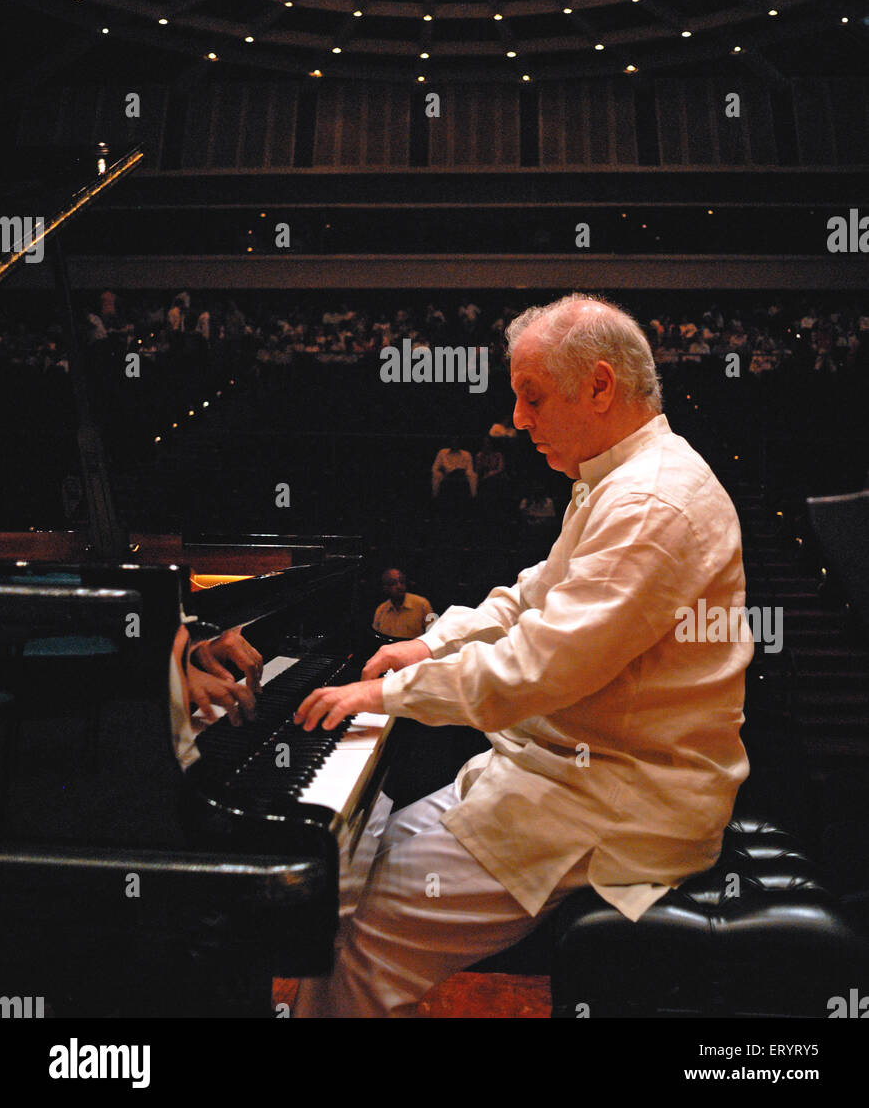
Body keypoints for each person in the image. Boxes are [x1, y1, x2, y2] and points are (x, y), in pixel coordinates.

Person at [292, 293, 753, 1018]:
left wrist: (384, 695)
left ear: (600, 386)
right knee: (347, 880)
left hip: (620, 803)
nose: (516, 420)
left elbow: (536, 666)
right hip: (562, 775)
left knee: (359, 935)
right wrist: (425, 643)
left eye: (532, 397)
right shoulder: (617, 480)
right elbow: (530, 596)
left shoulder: (651, 503)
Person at [372, 569, 434, 641]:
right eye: (393, 583)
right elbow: (376, 640)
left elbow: (434, 635)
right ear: (385, 588)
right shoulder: (380, 610)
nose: (399, 586)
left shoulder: (422, 604)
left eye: (402, 582)